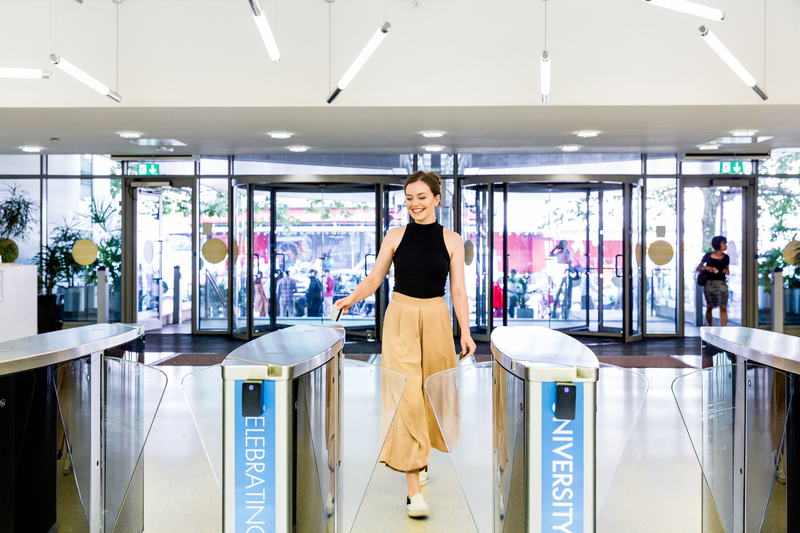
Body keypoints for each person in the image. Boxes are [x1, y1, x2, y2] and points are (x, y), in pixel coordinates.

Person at [334, 171, 476, 519]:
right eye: (409, 198)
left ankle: (421, 454)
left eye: (422, 197)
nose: (415, 204)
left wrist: (466, 332)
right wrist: (352, 298)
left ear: (437, 199)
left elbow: (458, 290)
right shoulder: (395, 236)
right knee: (406, 395)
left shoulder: (453, 240)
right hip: (400, 317)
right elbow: (375, 277)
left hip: (437, 318)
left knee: (432, 394)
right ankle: (414, 490)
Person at [697, 235, 730, 326]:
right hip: (709, 283)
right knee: (710, 307)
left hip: (722, 283)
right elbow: (699, 268)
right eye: (723, 243)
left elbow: (728, 271)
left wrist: (725, 271)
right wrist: (706, 268)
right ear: (718, 244)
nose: (725, 245)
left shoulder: (726, 257)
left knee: (723, 307)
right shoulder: (708, 256)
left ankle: (724, 329)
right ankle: (710, 327)